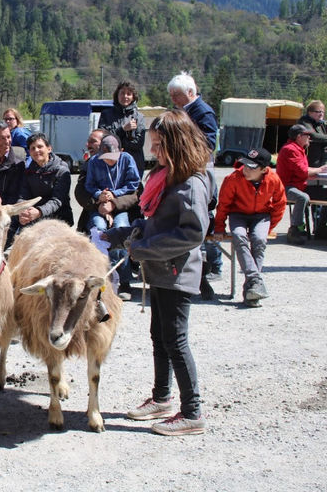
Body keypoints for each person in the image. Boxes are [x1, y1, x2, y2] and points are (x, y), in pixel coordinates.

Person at [106, 108, 210, 436]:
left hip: (178, 273)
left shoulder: (192, 183)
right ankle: (162, 397)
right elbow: (155, 223)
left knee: (175, 341)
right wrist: (122, 236)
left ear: (177, 144)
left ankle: (192, 412)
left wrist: (142, 249)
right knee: (160, 337)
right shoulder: (167, 178)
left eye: (158, 144)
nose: (153, 151)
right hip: (161, 272)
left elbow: (192, 233)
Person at [212, 148, 286, 307]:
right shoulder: (233, 178)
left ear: (264, 170)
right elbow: (223, 205)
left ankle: (252, 289)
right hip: (237, 214)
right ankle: (255, 281)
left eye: (251, 167)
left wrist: (269, 226)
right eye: (245, 165)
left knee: (259, 239)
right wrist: (219, 227)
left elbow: (280, 204)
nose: (245, 169)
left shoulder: (273, 179)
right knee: (239, 236)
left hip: (262, 215)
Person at [168, 71, 222, 280]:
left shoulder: (203, 112)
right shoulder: (181, 110)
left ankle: (214, 264)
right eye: (171, 95)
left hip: (200, 170)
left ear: (190, 92)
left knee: (205, 216)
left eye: (177, 94)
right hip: (184, 169)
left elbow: (209, 143)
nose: (173, 99)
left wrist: (184, 142)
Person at [83, 134, 141, 299]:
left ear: (121, 151)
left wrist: (113, 195)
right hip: (99, 206)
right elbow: (89, 185)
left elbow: (133, 184)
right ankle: (99, 276)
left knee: (120, 232)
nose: (109, 161)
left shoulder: (127, 159)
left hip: (120, 205)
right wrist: (100, 195)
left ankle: (124, 281)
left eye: (112, 158)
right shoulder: (94, 161)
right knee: (98, 231)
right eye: (105, 158)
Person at [276, 124, 327, 243]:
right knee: (302, 197)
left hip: (300, 186)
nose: (309, 137)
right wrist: (320, 170)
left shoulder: (299, 149)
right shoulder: (290, 149)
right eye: (307, 135)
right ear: (299, 136)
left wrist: (313, 172)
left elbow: (303, 170)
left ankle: (321, 229)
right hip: (286, 188)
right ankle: (295, 230)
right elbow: (302, 171)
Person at [298, 100, 327, 234]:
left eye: (322, 112)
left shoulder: (323, 125)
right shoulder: (304, 122)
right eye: (318, 112)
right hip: (308, 169)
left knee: (322, 197)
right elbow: (312, 135)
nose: (321, 114)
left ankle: (321, 227)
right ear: (310, 112)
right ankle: (312, 227)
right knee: (316, 198)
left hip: (321, 168)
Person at [17, 133, 73, 228]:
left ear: (49, 148)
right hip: (34, 218)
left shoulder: (61, 170)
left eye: (40, 147)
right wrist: (22, 211)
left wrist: (39, 212)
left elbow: (57, 201)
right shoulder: (28, 172)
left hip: (59, 218)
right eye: (32, 148)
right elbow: (23, 196)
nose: (36, 150)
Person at [98, 81, 147, 175]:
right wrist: (123, 129)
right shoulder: (106, 114)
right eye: (122, 93)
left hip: (134, 165)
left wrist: (119, 143)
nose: (125, 96)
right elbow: (104, 139)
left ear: (133, 97)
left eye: (129, 94)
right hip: (111, 164)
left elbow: (138, 144)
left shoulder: (139, 117)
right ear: (117, 95)